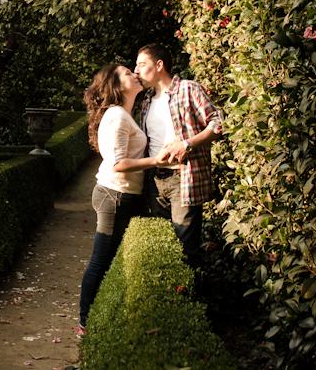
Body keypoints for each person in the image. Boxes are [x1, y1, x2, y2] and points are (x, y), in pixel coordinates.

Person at [76, 63, 169, 336]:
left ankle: (95, 320)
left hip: (121, 194)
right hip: (114, 194)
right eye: (128, 73)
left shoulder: (124, 114)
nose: (135, 74)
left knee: (109, 257)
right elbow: (117, 163)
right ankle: (85, 323)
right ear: (117, 86)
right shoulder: (116, 115)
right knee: (101, 258)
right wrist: (155, 160)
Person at [134, 43, 223, 265]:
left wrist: (187, 144)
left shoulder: (188, 89)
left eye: (141, 64)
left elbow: (218, 123)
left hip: (183, 177)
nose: (136, 71)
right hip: (155, 180)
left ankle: (190, 296)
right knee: (163, 248)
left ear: (159, 65)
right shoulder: (146, 101)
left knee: (185, 251)